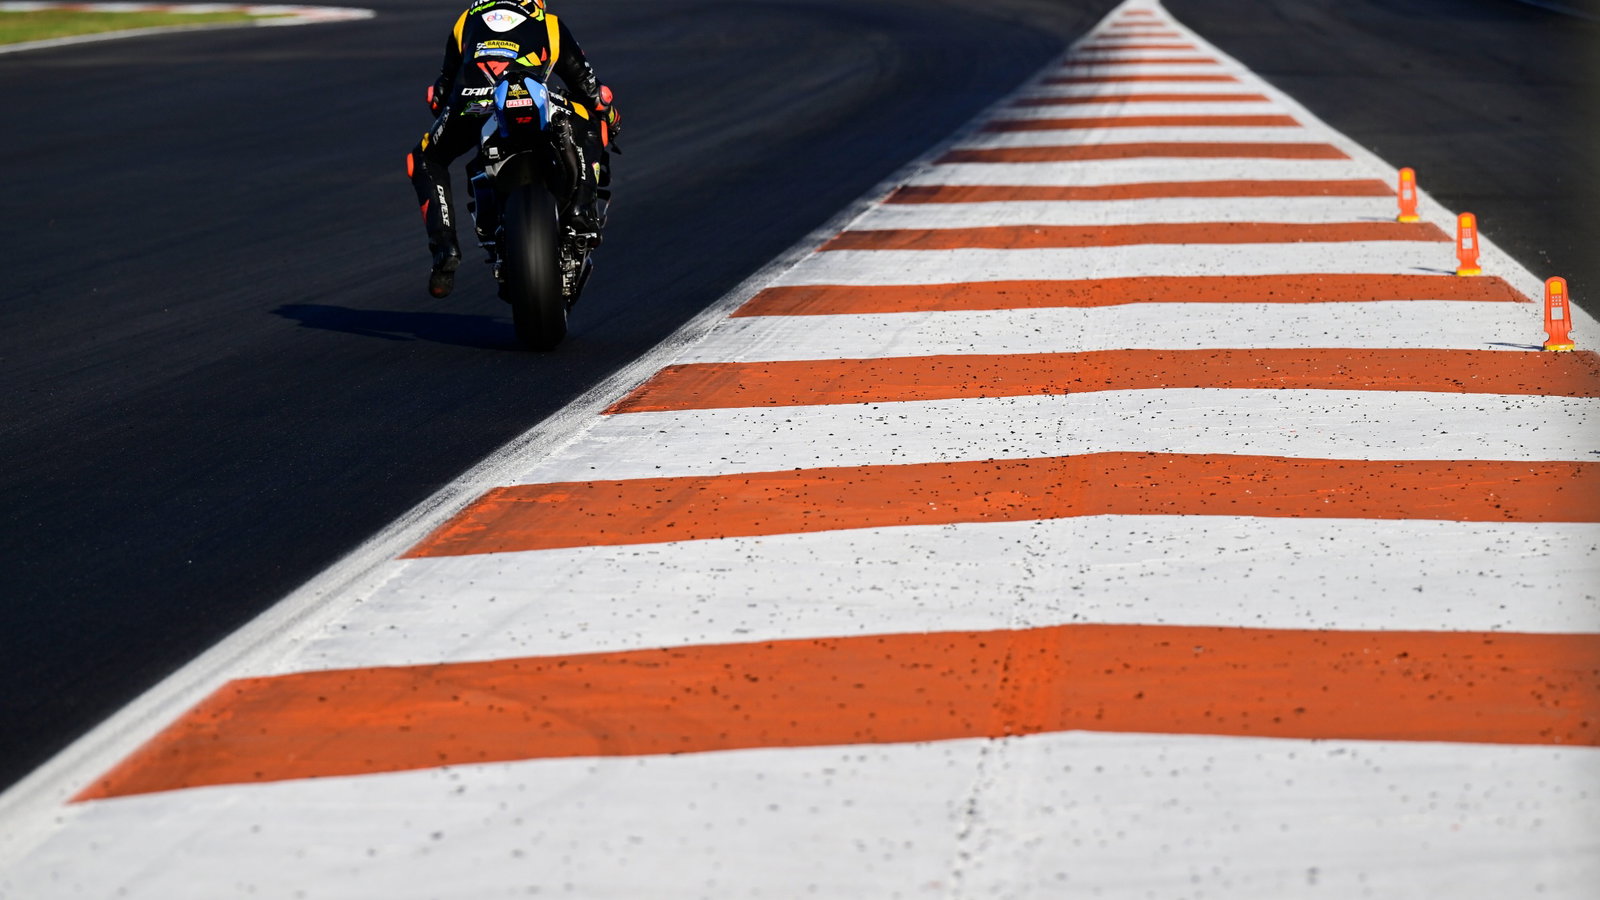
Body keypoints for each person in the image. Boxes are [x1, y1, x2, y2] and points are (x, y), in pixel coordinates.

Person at [406, 0, 619, 298]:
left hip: (475, 105)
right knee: (593, 124)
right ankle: (581, 209)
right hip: (533, 98)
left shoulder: (466, 21)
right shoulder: (549, 24)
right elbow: (592, 91)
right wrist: (611, 116)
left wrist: (443, 102)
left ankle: (444, 249)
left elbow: (440, 93)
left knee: (424, 159)